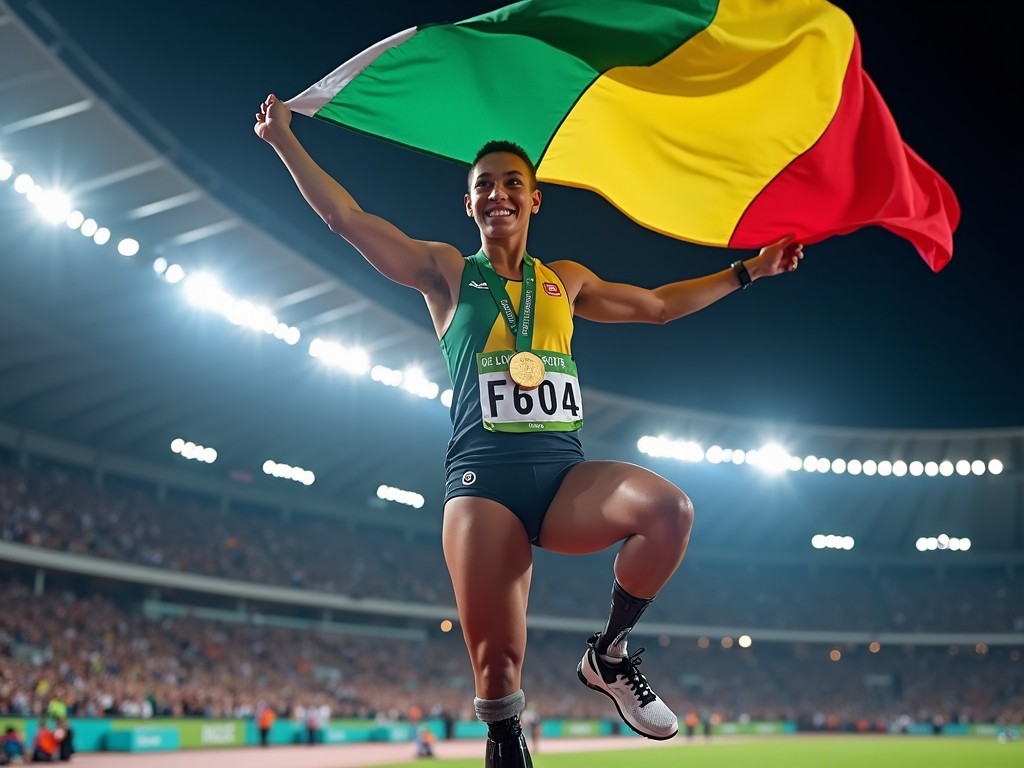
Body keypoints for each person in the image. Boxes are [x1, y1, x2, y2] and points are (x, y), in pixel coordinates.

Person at [255, 93, 803, 768]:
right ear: (469, 205)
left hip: (564, 475)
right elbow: (346, 219)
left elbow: (659, 307)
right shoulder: (446, 273)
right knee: (498, 680)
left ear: (535, 200)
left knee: (669, 511)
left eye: (513, 183)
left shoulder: (564, 283)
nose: (498, 194)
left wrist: (750, 270)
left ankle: (607, 656)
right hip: (483, 483)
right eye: (483, 185)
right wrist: (283, 137)